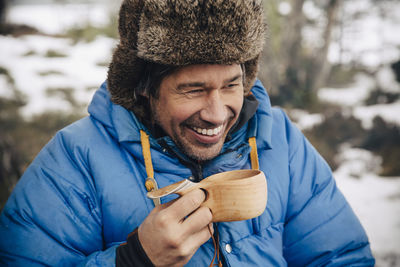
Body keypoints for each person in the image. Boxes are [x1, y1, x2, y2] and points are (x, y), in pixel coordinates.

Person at [0, 0, 375, 266]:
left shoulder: (281, 144)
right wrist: (133, 261)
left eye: (231, 85)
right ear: (144, 87)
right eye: (193, 89)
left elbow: (341, 257)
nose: (216, 113)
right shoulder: (75, 159)